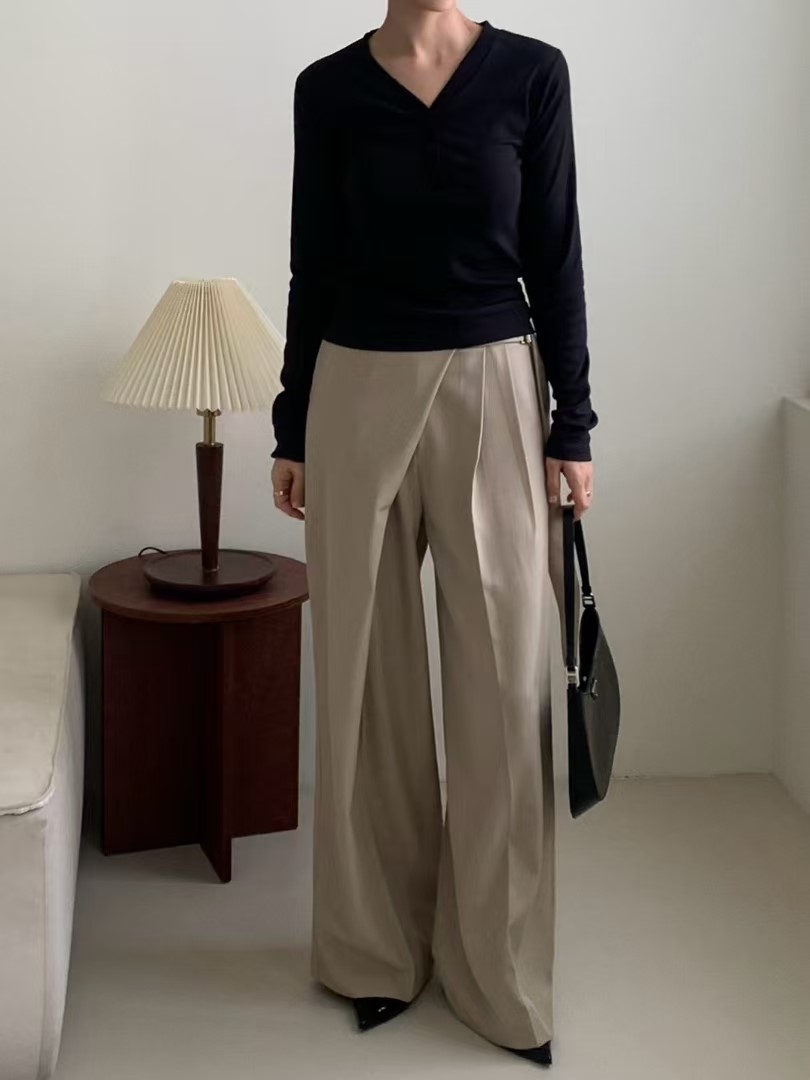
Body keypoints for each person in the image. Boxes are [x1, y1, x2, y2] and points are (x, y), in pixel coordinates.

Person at [270, 2, 598, 1067]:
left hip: (495, 386)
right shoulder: (329, 88)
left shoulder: (532, 75)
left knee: (504, 693)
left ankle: (497, 970)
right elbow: (313, 263)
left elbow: (556, 251)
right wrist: (291, 426)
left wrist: (573, 423)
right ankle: (374, 952)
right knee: (365, 685)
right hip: (352, 392)